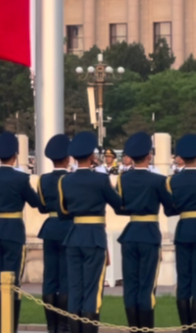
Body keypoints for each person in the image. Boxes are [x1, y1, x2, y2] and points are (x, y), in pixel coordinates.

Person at [0, 131, 41, 333]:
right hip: (14, 231)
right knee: (13, 282)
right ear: (15, 154)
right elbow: (35, 202)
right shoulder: (21, 178)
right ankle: (9, 328)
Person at [58, 131, 122, 333]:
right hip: (94, 237)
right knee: (92, 290)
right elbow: (118, 205)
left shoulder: (65, 181)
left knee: (75, 289)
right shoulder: (101, 180)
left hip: (74, 235)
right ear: (92, 157)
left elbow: (63, 212)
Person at [115, 132, 174, 331]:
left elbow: (118, 207)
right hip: (149, 233)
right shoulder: (158, 181)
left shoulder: (123, 179)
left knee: (130, 285)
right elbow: (170, 208)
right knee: (146, 286)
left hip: (131, 232)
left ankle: (134, 328)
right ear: (149, 156)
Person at [168, 134, 196, 331]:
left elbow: (170, 209)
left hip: (184, 228)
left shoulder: (173, 181)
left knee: (183, 279)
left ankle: (186, 327)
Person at [36, 135, 72, 333]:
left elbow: (41, 207)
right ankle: (64, 325)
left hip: (50, 228)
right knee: (65, 278)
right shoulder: (70, 179)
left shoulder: (43, 180)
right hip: (67, 227)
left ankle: (52, 326)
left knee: (50, 279)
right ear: (67, 158)